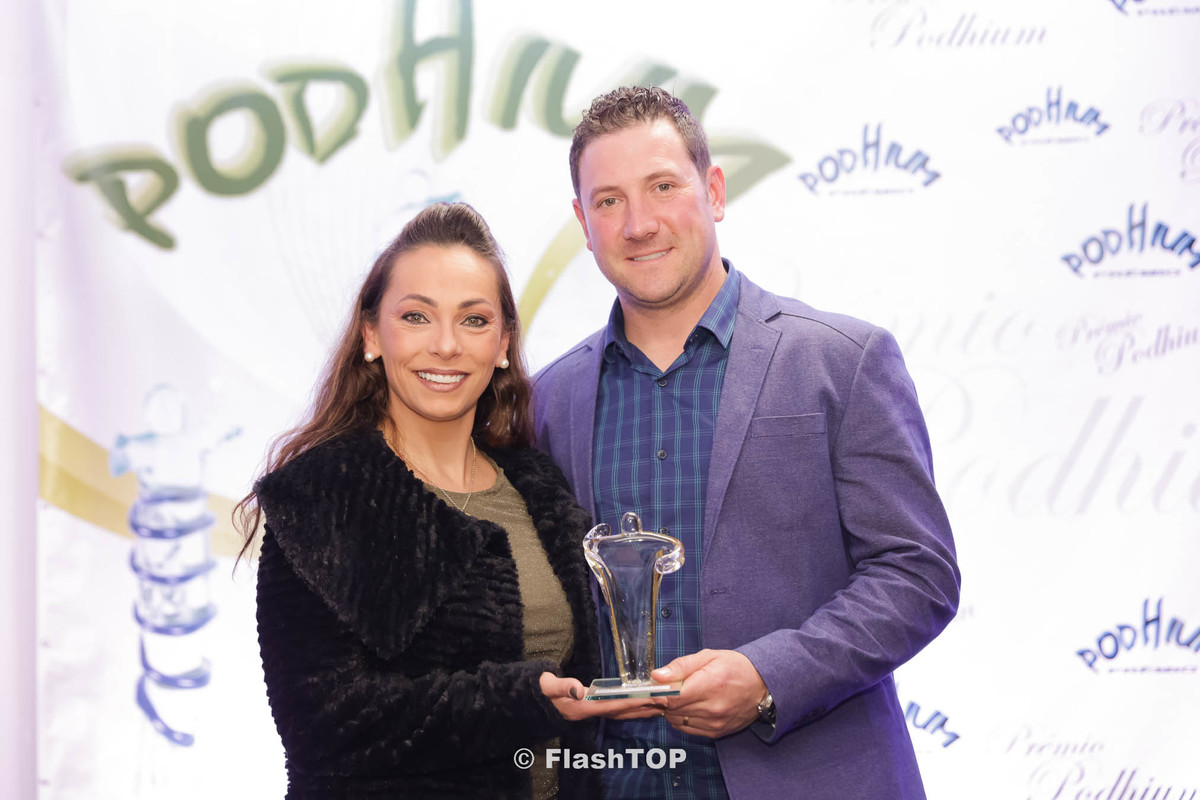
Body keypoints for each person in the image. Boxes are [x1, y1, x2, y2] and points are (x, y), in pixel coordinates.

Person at [532, 87, 961, 799]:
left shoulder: (842, 361)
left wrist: (769, 677)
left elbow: (917, 574)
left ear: (714, 191)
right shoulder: (549, 400)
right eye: (609, 201)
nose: (639, 223)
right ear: (583, 222)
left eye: (662, 187)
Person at [236, 202, 658, 799]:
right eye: (416, 316)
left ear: (503, 343)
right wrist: (517, 699)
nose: (445, 345)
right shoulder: (322, 495)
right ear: (371, 335)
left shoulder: (539, 487)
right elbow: (322, 724)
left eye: (474, 320)